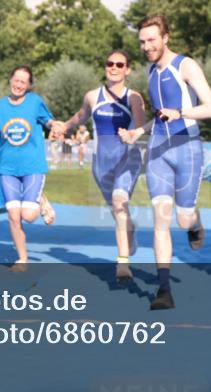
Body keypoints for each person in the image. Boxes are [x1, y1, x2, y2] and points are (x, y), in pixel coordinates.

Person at [120, 16, 211, 310]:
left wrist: (181, 113)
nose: (146, 46)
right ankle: (164, 290)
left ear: (166, 38)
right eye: (142, 41)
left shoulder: (185, 66)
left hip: (187, 148)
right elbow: (160, 116)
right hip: (158, 151)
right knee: (161, 218)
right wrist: (139, 131)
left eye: (152, 40)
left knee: (183, 219)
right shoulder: (151, 71)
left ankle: (195, 223)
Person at [53, 49, 146, 279]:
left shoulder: (134, 97)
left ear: (127, 70)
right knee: (118, 210)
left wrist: (131, 135)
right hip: (101, 164)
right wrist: (64, 126)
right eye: (110, 63)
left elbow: (141, 128)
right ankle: (130, 229)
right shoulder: (92, 96)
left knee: (119, 202)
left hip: (127, 158)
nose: (114, 67)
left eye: (119, 64)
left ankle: (122, 263)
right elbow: (80, 116)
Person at [0, 65, 56, 271]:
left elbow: (48, 121)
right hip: (8, 170)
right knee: (13, 216)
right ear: (10, 80)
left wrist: (55, 127)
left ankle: (41, 200)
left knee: (28, 216)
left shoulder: (35, 102)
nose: (18, 84)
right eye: (16, 80)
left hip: (33, 166)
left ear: (28, 85)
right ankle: (22, 259)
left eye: (23, 82)